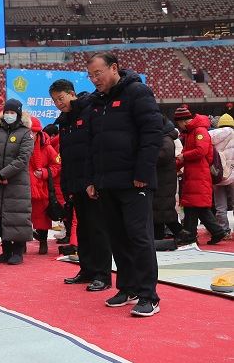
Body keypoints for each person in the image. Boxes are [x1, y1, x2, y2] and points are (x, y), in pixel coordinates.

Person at [85, 52, 162, 317]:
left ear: (114, 68)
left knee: (139, 237)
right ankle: (127, 288)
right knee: (117, 238)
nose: (95, 80)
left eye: (98, 73)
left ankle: (148, 295)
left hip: (135, 181)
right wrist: (93, 179)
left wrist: (143, 171)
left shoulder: (138, 92)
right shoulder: (97, 103)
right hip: (107, 183)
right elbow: (94, 145)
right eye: (91, 75)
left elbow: (153, 133)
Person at [50, 80, 112, 292]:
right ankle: (86, 269)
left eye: (61, 98)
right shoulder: (65, 120)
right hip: (75, 182)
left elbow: (96, 148)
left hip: (91, 182)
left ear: (71, 94)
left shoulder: (90, 111)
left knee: (98, 229)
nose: (59, 103)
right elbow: (66, 156)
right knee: (83, 229)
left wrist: (94, 180)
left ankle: (102, 275)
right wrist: (66, 186)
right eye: (55, 100)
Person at [0, 99, 34, 265]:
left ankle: (18, 251)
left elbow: (23, 159)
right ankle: (5, 251)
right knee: (0, 214)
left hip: (17, 182)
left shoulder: (26, 133)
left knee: (18, 215)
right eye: (7, 112)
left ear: (18, 114)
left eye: (12, 112)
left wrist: (4, 174)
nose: (9, 115)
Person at [174, 107, 228, 245]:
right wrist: (177, 164)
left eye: (178, 123)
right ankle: (210, 232)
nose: (178, 127)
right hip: (195, 174)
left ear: (182, 121)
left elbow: (201, 151)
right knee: (196, 206)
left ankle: (193, 235)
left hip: (199, 174)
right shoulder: (192, 132)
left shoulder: (199, 131)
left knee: (195, 206)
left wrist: (183, 156)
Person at [154, 116, 191, 244]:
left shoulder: (166, 139)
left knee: (162, 212)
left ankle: (183, 235)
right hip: (163, 179)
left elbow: (163, 156)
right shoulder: (165, 138)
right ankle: (159, 238)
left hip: (164, 181)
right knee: (160, 212)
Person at [28, 116, 61, 255]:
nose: (31, 135)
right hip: (24, 187)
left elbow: (57, 165)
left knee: (42, 217)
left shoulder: (47, 148)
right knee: (23, 217)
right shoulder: (21, 147)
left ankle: (43, 241)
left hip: (42, 189)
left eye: (33, 132)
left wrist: (45, 173)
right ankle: (20, 244)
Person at [210, 114, 234, 239]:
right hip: (233, 174)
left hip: (218, 174)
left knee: (220, 206)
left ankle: (224, 231)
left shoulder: (213, 135)